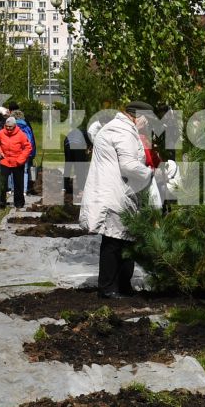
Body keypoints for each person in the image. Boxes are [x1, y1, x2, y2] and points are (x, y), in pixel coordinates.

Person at [79, 102, 153, 298]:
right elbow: (129, 165)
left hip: (115, 191)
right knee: (114, 241)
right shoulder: (123, 132)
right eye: (147, 119)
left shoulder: (118, 128)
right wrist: (150, 174)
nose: (147, 124)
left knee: (124, 240)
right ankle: (108, 288)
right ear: (138, 116)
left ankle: (121, 284)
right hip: (115, 194)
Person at [0, 112, 32, 210]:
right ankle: (1, 202)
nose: (8, 128)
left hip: (17, 162)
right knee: (2, 183)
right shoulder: (0, 133)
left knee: (18, 184)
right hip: (4, 161)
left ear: (15, 126)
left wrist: (21, 159)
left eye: (10, 127)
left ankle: (19, 202)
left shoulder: (21, 134)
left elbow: (28, 147)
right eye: (6, 126)